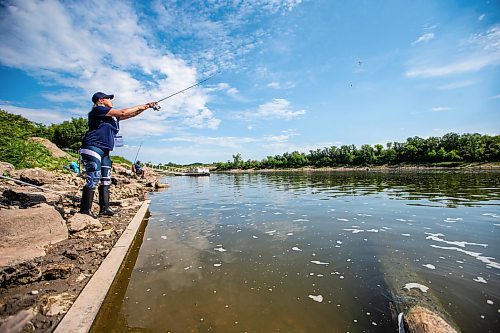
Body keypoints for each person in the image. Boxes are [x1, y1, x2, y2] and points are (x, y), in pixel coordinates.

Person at [79, 92, 157, 217]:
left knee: (106, 180)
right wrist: (142, 105)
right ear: (101, 100)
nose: (111, 100)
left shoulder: (112, 117)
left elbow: (130, 114)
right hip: (92, 147)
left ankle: (105, 209)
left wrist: (146, 107)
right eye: (109, 98)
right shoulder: (98, 110)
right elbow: (123, 112)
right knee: (93, 177)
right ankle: (84, 211)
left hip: (105, 151)